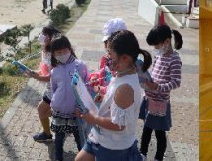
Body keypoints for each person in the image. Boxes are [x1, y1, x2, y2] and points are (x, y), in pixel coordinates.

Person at [73, 30, 148, 161]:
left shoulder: (125, 88)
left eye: (109, 53)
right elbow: (116, 98)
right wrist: (105, 98)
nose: (106, 56)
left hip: (114, 148)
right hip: (100, 137)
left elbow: (118, 125)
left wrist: (94, 119)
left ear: (124, 58)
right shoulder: (120, 72)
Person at [138, 25, 184, 161]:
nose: (156, 48)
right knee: (146, 129)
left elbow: (176, 82)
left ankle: (158, 158)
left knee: (159, 133)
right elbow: (152, 74)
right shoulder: (158, 56)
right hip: (148, 99)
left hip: (160, 103)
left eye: (157, 45)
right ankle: (143, 154)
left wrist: (157, 87)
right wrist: (145, 79)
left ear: (167, 41)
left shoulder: (174, 59)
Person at [45, 35, 89, 161]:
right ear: (54, 54)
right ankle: (58, 158)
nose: (63, 54)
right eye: (59, 52)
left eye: (66, 50)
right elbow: (53, 89)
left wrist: (82, 107)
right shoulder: (55, 71)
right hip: (59, 112)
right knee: (58, 138)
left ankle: (84, 157)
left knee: (79, 138)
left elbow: (86, 87)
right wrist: (54, 102)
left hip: (76, 111)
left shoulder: (80, 66)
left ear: (70, 49)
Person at [27, 25, 66, 142]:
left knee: (41, 109)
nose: (41, 36)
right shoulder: (44, 52)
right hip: (49, 88)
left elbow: (53, 76)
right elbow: (45, 71)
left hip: (55, 89)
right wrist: (34, 72)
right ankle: (63, 122)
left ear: (50, 38)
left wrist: (38, 77)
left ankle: (47, 134)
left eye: (44, 34)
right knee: (47, 111)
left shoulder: (51, 55)